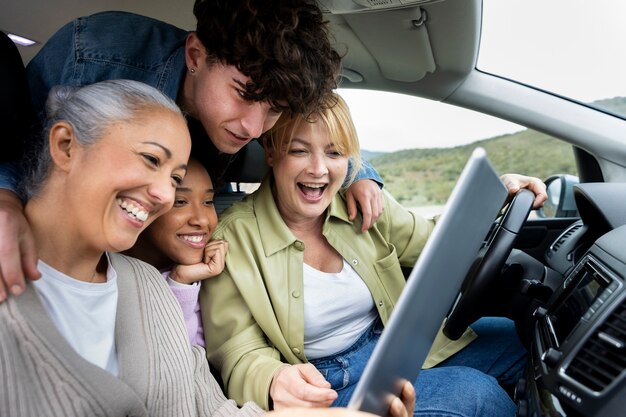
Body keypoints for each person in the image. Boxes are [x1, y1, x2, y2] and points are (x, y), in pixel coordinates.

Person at [0, 80, 415, 417]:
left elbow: (212, 410)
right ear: (66, 146)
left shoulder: (147, 286)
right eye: (150, 160)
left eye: (176, 175)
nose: (163, 194)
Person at [0, 0, 385, 302]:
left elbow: (311, 134)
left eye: (274, 109)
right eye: (242, 94)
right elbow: (14, 143)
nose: (253, 129)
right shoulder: (94, 54)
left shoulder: (267, 110)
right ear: (196, 56)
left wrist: (358, 173)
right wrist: (5, 200)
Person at [200, 92, 547, 415]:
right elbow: (236, 350)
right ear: (272, 152)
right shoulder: (234, 237)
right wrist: (272, 379)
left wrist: (494, 198)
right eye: (299, 150)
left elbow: (434, 241)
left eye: (334, 153)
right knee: (478, 393)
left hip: (394, 347)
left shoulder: (361, 202)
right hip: (329, 383)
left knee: (523, 342)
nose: (319, 169)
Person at [126, 157, 225, 346]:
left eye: (208, 201)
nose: (202, 220)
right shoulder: (108, 275)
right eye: (180, 202)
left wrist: (181, 281)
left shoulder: (209, 274)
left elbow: (191, 360)